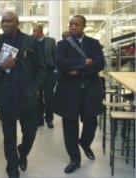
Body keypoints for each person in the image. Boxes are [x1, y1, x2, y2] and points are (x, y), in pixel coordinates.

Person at [0, 11, 46, 178]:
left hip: (27, 97)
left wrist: (35, 88)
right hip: (5, 98)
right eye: (3, 21)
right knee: (9, 136)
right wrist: (2, 67)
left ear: (17, 23)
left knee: (30, 132)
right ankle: (12, 168)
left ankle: (23, 152)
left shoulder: (30, 42)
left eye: (9, 21)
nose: (5, 24)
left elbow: (42, 68)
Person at [53, 15, 105, 174]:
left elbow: (99, 64)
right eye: (71, 24)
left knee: (91, 123)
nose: (73, 27)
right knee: (70, 126)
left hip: (90, 90)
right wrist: (83, 62)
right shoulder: (62, 45)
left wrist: (76, 70)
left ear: (84, 27)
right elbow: (60, 62)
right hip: (69, 91)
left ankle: (85, 142)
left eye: (77, 24)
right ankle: (74, 159)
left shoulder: (94, 44)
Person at [32, 24, 57, 129]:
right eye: (33, 31)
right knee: (37, 97)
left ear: (41, 32)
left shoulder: (51, 41)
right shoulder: (31, 42)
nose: (33, 33)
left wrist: (56, 70)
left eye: (35, 31)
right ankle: (39, 119)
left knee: (48, 97)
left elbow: (55, 55)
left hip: (49, 72)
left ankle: (49, 119)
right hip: (37, 74)